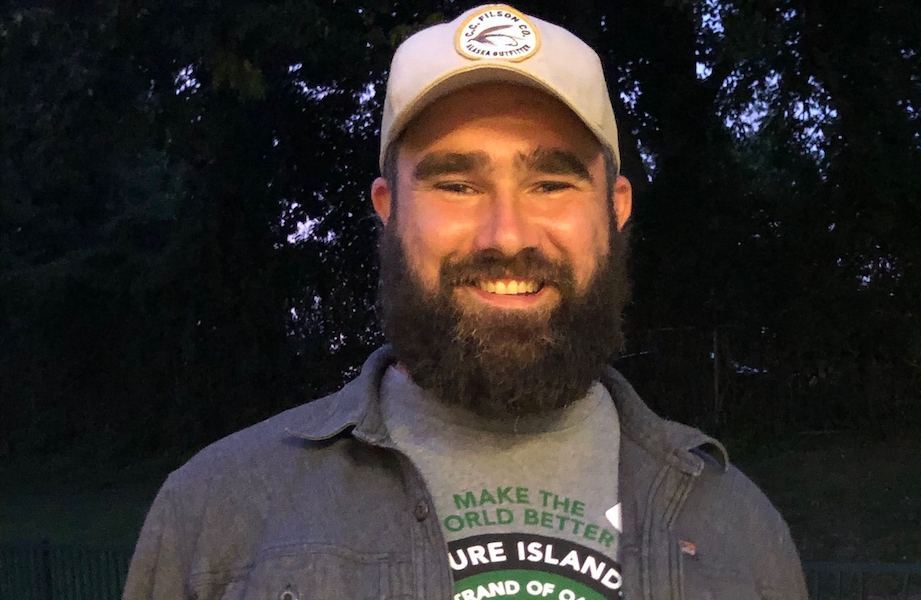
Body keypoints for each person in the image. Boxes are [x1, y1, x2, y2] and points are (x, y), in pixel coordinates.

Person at [123, 5, 808, 599]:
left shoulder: (741, 533)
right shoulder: (216, 515)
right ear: (388, 212)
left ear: (614, 209)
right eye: (456, 184)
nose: (506, 235)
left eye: (551, 183)